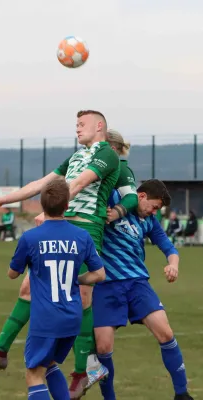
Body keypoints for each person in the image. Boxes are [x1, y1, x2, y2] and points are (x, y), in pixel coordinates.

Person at [0, 109, 120, 395]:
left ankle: (83, 369)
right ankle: (0, 352)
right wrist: (1, 200)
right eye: (75, 124)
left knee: (83, 296)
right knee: (27, 288)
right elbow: (40, 184)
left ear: (99, 126)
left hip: (85, 228)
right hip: (62, 224)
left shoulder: (107, 154)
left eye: (82, 124)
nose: (77, 129)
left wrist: (51, 211)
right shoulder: (75, 157)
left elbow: (78, 184)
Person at [90, 179, 193, 400]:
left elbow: (169, 247)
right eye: (154, 206)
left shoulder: (149, 221)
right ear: (142, 196)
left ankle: (182, 394)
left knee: (165, 332)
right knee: (103, 346)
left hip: (137, 283)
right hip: (105, 285)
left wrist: (172, 264)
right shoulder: (114, 201)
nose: (154, 212)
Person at [7, 178, 106, 400]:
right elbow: (100, 274)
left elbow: (13, 273)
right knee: (49, 364)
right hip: (72, 317)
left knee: (33, 374)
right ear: (67, 206)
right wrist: (75, 279)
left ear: (42, 205)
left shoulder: (30, 237)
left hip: (45, 318)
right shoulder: (82, 236)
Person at [85, 128, 139, 390]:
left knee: (81, 302)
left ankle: (85, 367)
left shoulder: (120, 168)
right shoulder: (98, 166)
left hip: (100, 247)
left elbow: (131, 197)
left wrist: (116, 212)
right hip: (90, 238)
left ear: (113, 148)